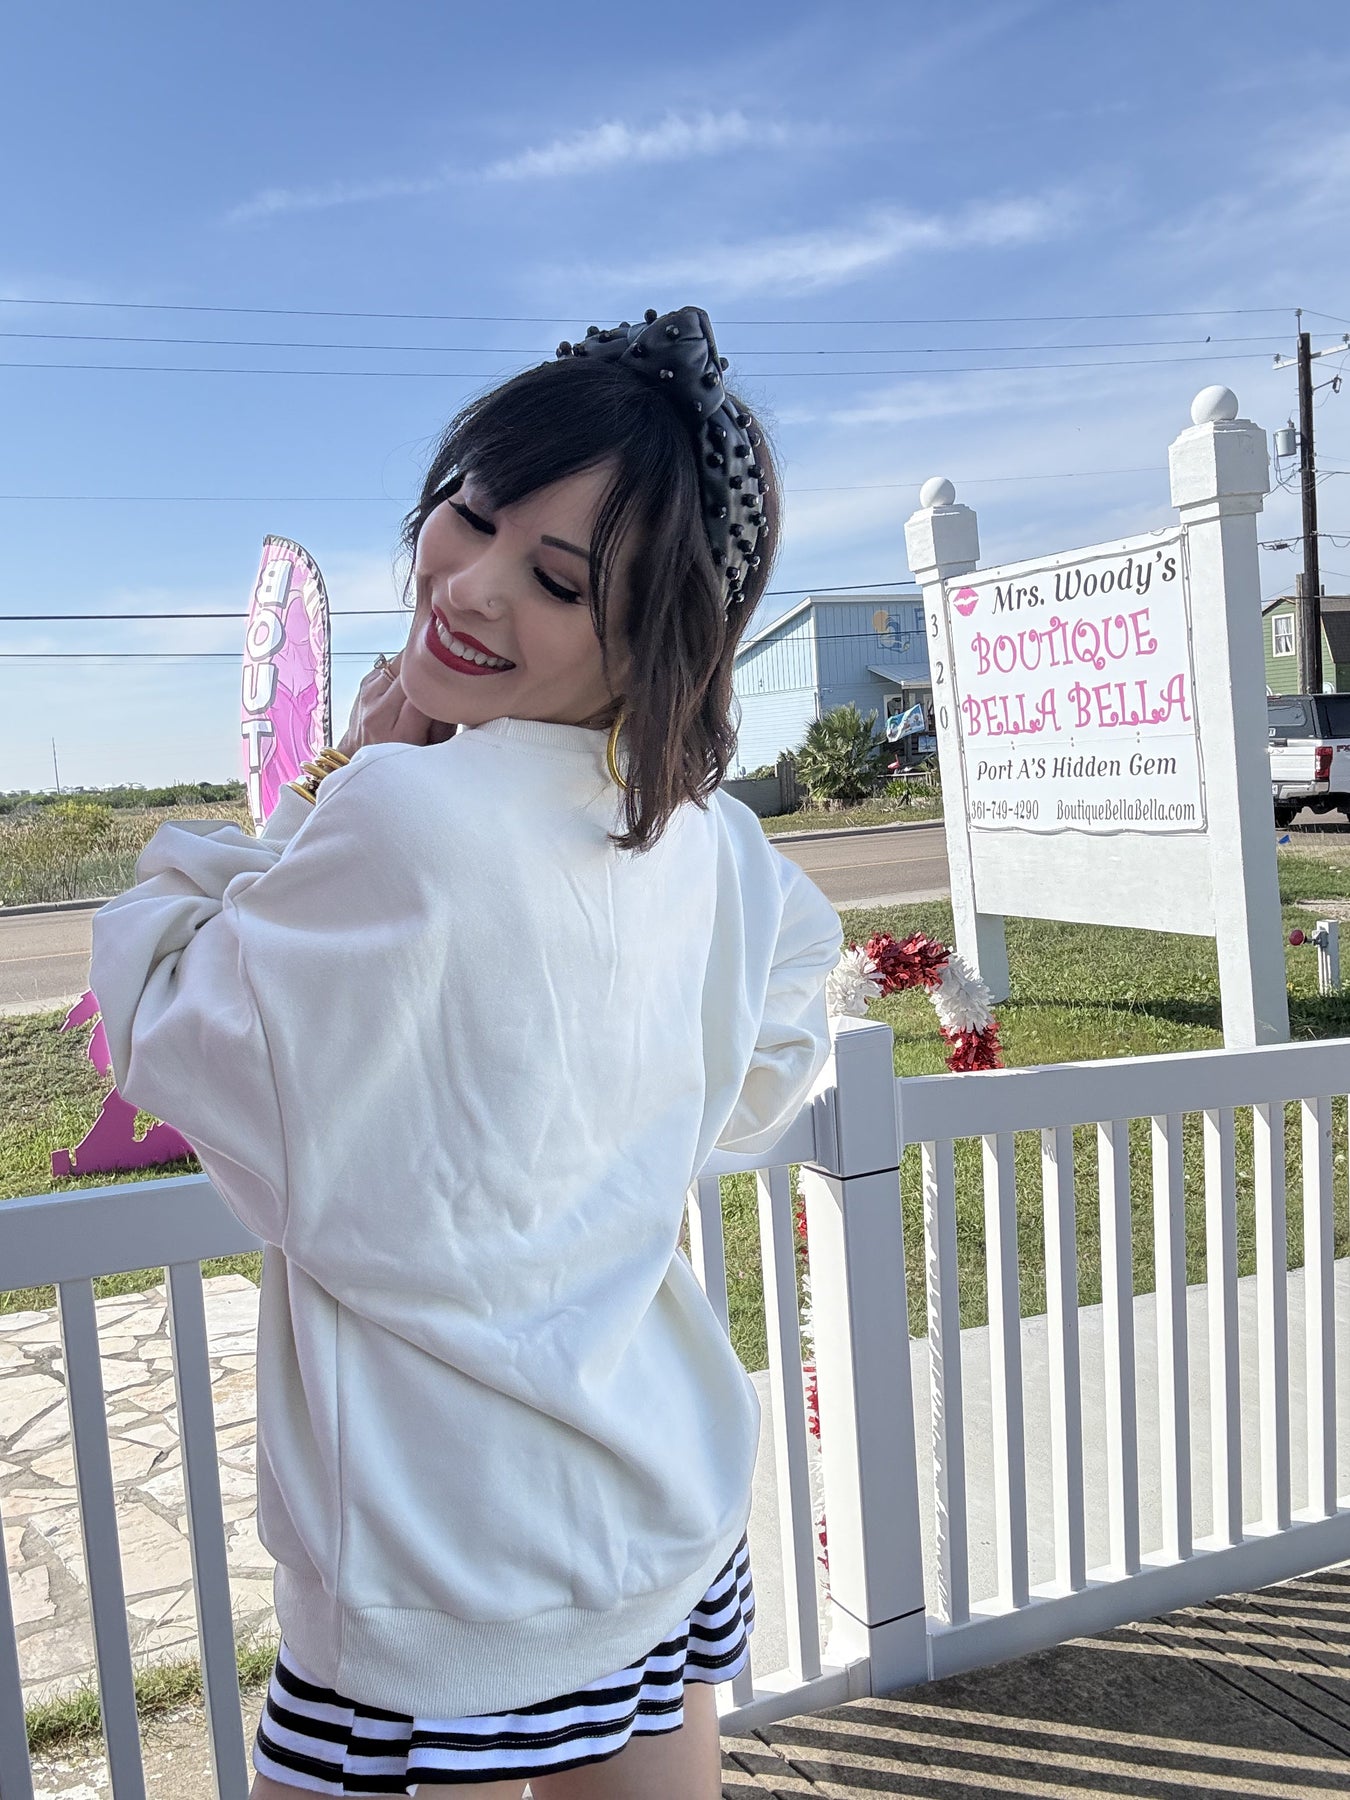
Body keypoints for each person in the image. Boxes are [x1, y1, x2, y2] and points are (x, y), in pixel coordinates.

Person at [91, 305, 842, 1799]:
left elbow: (164, 1012)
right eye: (473, 511)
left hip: (444, 1557)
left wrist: (346, 773)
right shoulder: (708, 837)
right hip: (654, 1494)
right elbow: (771, 1047)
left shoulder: (407, 815)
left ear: (653, 633)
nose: (471, 585)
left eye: (557, 581)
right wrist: (613, 1139)